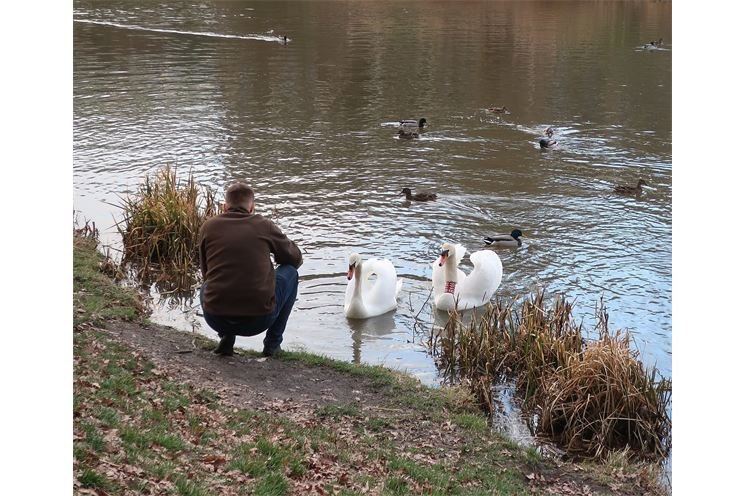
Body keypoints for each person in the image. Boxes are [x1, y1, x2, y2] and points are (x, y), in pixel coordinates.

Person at [198, 182, 303, 357]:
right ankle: (272, 345)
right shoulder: (264, 225)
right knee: (290, 273)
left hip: (215, 318)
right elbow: (295, 259)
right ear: (252, 207)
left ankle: (226, 337)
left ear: (225, 206)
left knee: (208, 283)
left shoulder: (208, 227)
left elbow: (206, 271)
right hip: (258, 321)